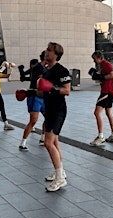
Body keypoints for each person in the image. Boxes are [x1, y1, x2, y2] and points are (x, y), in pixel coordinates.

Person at [39, 42, 71, 191]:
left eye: (50, 50)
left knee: (48, 143)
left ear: (56, 54)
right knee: (55, 143)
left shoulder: (61, 70)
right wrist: (28, 93)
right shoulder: (46, 71)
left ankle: (60, 178)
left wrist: (51, 87)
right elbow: (43, 92)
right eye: (47, 49)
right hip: (49, 110)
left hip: (58, 110)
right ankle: (60, 171)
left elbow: (66, 90)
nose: (47, 52)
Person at [88, 51, 113, 146]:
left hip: (106, 92)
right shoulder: (102, 66)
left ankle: (100, 137)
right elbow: (105, 77)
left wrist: (101, 76)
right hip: (109, 92)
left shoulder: (106, 64)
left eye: (94, 59)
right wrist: (98, 76)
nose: (94, 61)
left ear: (99, 57)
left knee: (97, 113)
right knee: (109, 113)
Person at [19, 52, 47, 152]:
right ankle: (22, 143)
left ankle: (43, 139)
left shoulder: (45, 68)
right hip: (34, 97)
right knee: (33, 120)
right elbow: (39, 81)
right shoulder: (38, 68)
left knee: (48, 118)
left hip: (43, 97)